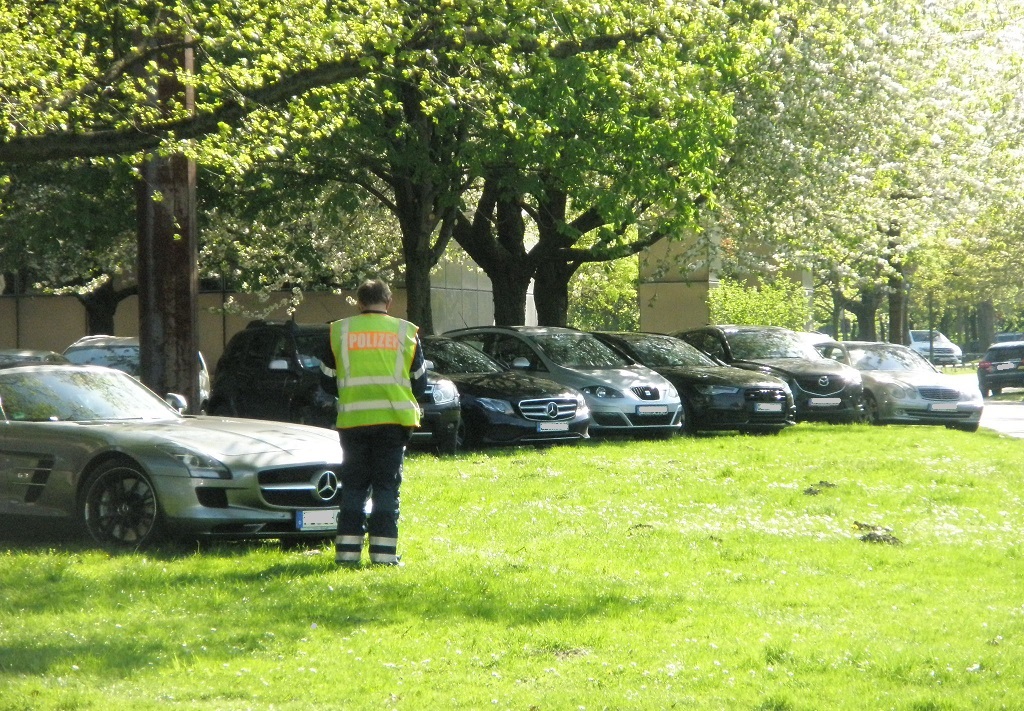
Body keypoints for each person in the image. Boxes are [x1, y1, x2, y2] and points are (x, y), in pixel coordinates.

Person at [323, 278, 427, 566]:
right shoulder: (406, 332)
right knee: (385, 488)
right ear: (389, 302)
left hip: (353, 420)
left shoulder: (340, 331)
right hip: (394, 422)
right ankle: (383, 556)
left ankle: (347, 555)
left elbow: (325, 379)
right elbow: (420, 382)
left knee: (354, 487)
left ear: (359, 302)